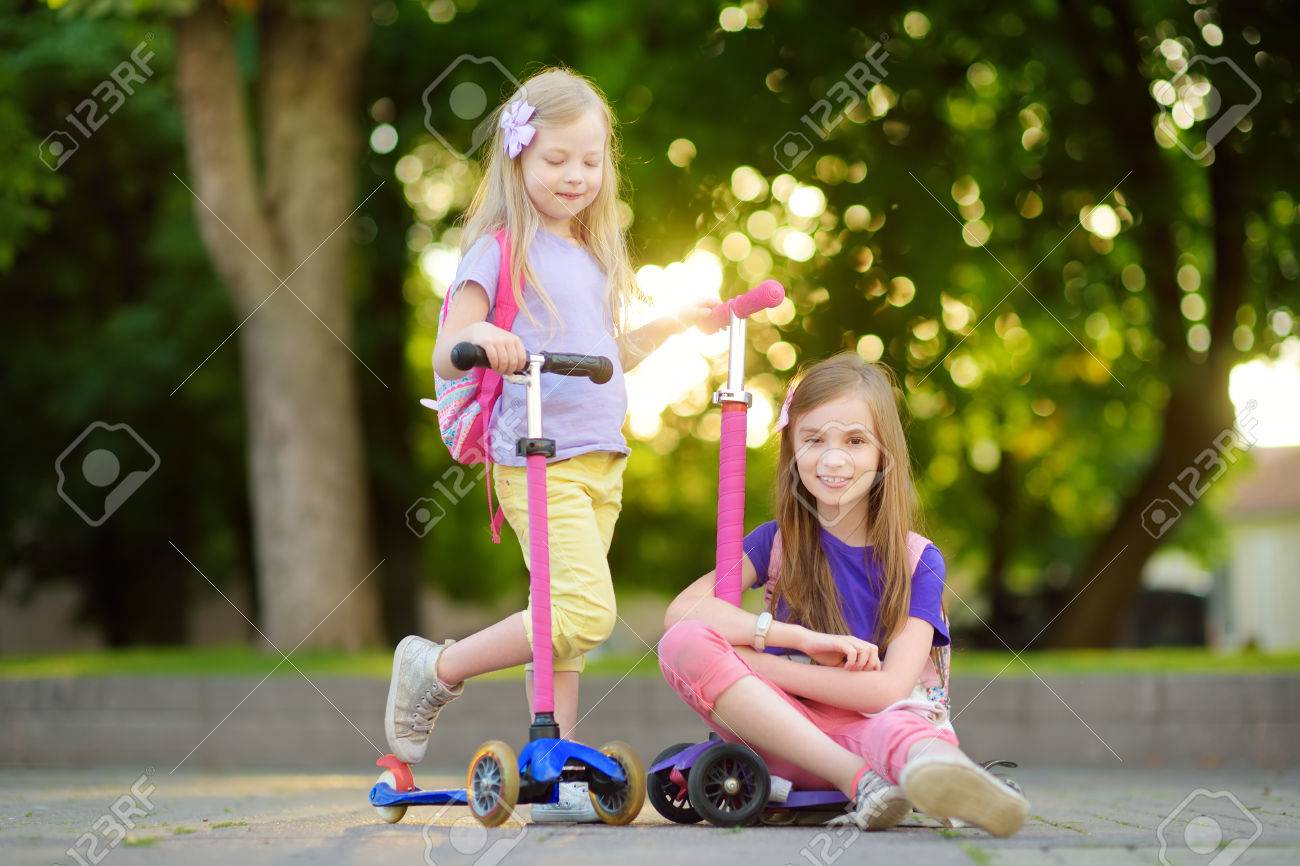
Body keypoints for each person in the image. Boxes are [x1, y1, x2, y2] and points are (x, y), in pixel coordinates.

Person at [384, 67, 716, 822]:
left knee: (564, 635)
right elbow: (448, 348)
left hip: (603, 460)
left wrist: (666, 327)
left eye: (591, 161)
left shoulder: (595, 256)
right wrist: (485, 335)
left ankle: (558, 769)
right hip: (534, 455)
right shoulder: (499, 252)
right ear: (519, 159)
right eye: (556, 159)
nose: (576, 176)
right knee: (579, 613)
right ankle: (435, 667)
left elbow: (601, 358)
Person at [658, 352, 1029, 835]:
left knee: (902, 733)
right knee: (681, 645)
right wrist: (799, 640)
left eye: (855, 440)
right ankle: (863, 783)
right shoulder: (776, 543)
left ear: (883, 453)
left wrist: (754, 662)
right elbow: (682, 613)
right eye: (814, 440)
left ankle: (948, 781)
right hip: (784, 735)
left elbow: (886, 689)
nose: (834, 459)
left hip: (880, 729)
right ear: (792, 448)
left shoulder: (917, 560)